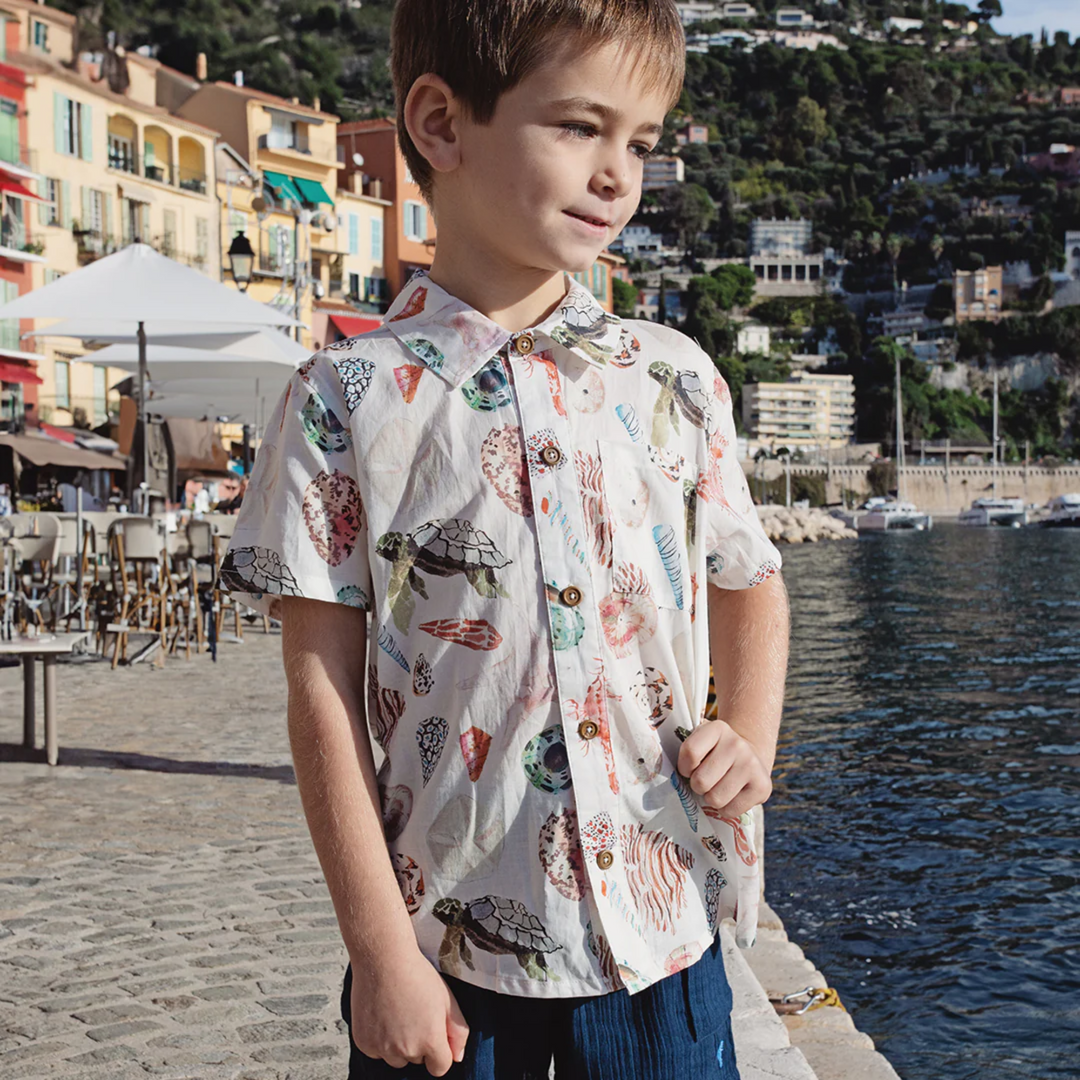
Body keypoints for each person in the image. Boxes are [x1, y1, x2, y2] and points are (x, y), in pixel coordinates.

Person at [219, 2, 789, 1076]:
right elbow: (321, 694)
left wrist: (748, 738)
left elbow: (750, 583)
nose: (618, 173)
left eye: (641, 141)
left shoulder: (672, 379)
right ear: (439, 121)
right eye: (581, 126)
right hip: (448, 957)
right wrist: (380, 949)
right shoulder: (345, 398)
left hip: (662, 942)